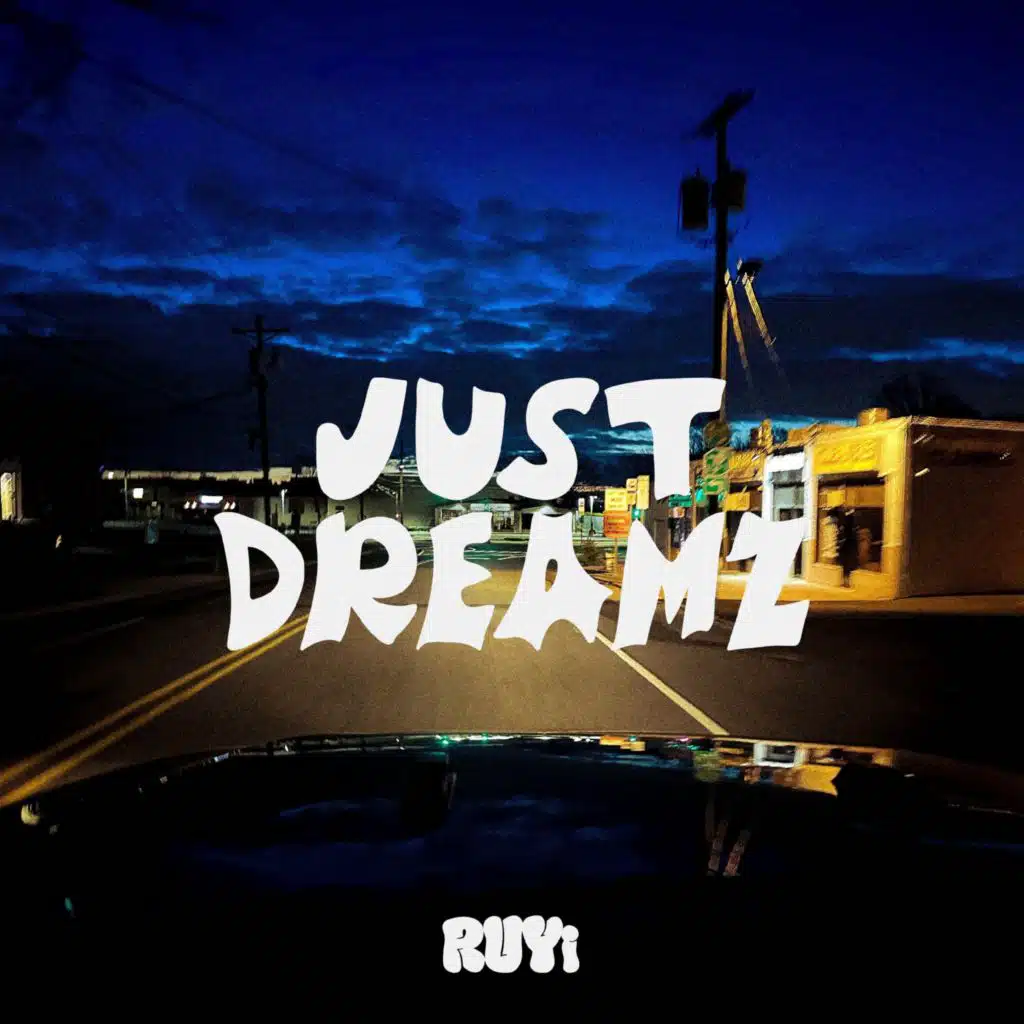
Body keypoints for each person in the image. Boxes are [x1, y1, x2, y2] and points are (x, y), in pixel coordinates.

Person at [839, 507, 859, 587]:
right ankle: (846, 581)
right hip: (849, 544)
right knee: (848, 563)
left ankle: (846, 581)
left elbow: (844, 532)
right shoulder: (851, 521)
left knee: (846, 563)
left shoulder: (846, 520)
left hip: (846, 544)